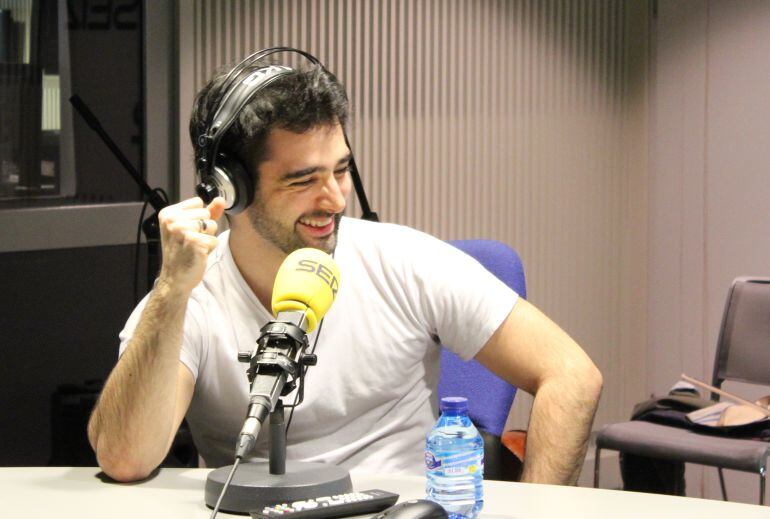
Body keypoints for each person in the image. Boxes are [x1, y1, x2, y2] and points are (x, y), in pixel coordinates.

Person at [88, 59, 602, 483]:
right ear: (229, 188)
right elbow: (125, 459)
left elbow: (571, 375)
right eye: (303, 180)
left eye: (340, 170)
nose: (334, 199)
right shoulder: (191, 298)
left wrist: (541, 512)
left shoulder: (404, 262)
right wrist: (171, 290)